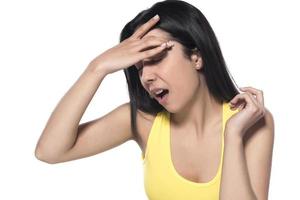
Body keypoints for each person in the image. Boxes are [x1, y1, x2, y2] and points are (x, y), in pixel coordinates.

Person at [35, 0, 274, 199]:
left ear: (196, 57)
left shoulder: (249, 122)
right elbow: (49, 151)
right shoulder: (142, 121)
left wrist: (232, 136)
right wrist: (97, 68)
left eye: (156, 58)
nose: (146, 77)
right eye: (138, 68)